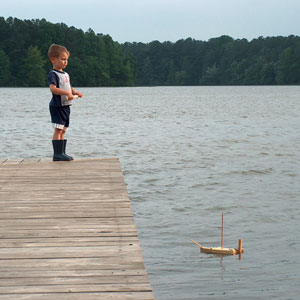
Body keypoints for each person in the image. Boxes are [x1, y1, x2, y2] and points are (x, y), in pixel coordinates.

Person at [48, 44, 83, 161]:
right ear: (53, 59)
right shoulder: (53, 74)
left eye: (66, 59)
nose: (65, 62)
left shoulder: (65, 74)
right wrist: (66, 93)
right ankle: (57, 154)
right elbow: (53, 88)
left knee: (63, 129)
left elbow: (69, 87)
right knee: (58, 129)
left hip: (66, 106)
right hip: (57, 106)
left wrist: (75, 92)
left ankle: (62, 152)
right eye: (63, 59)